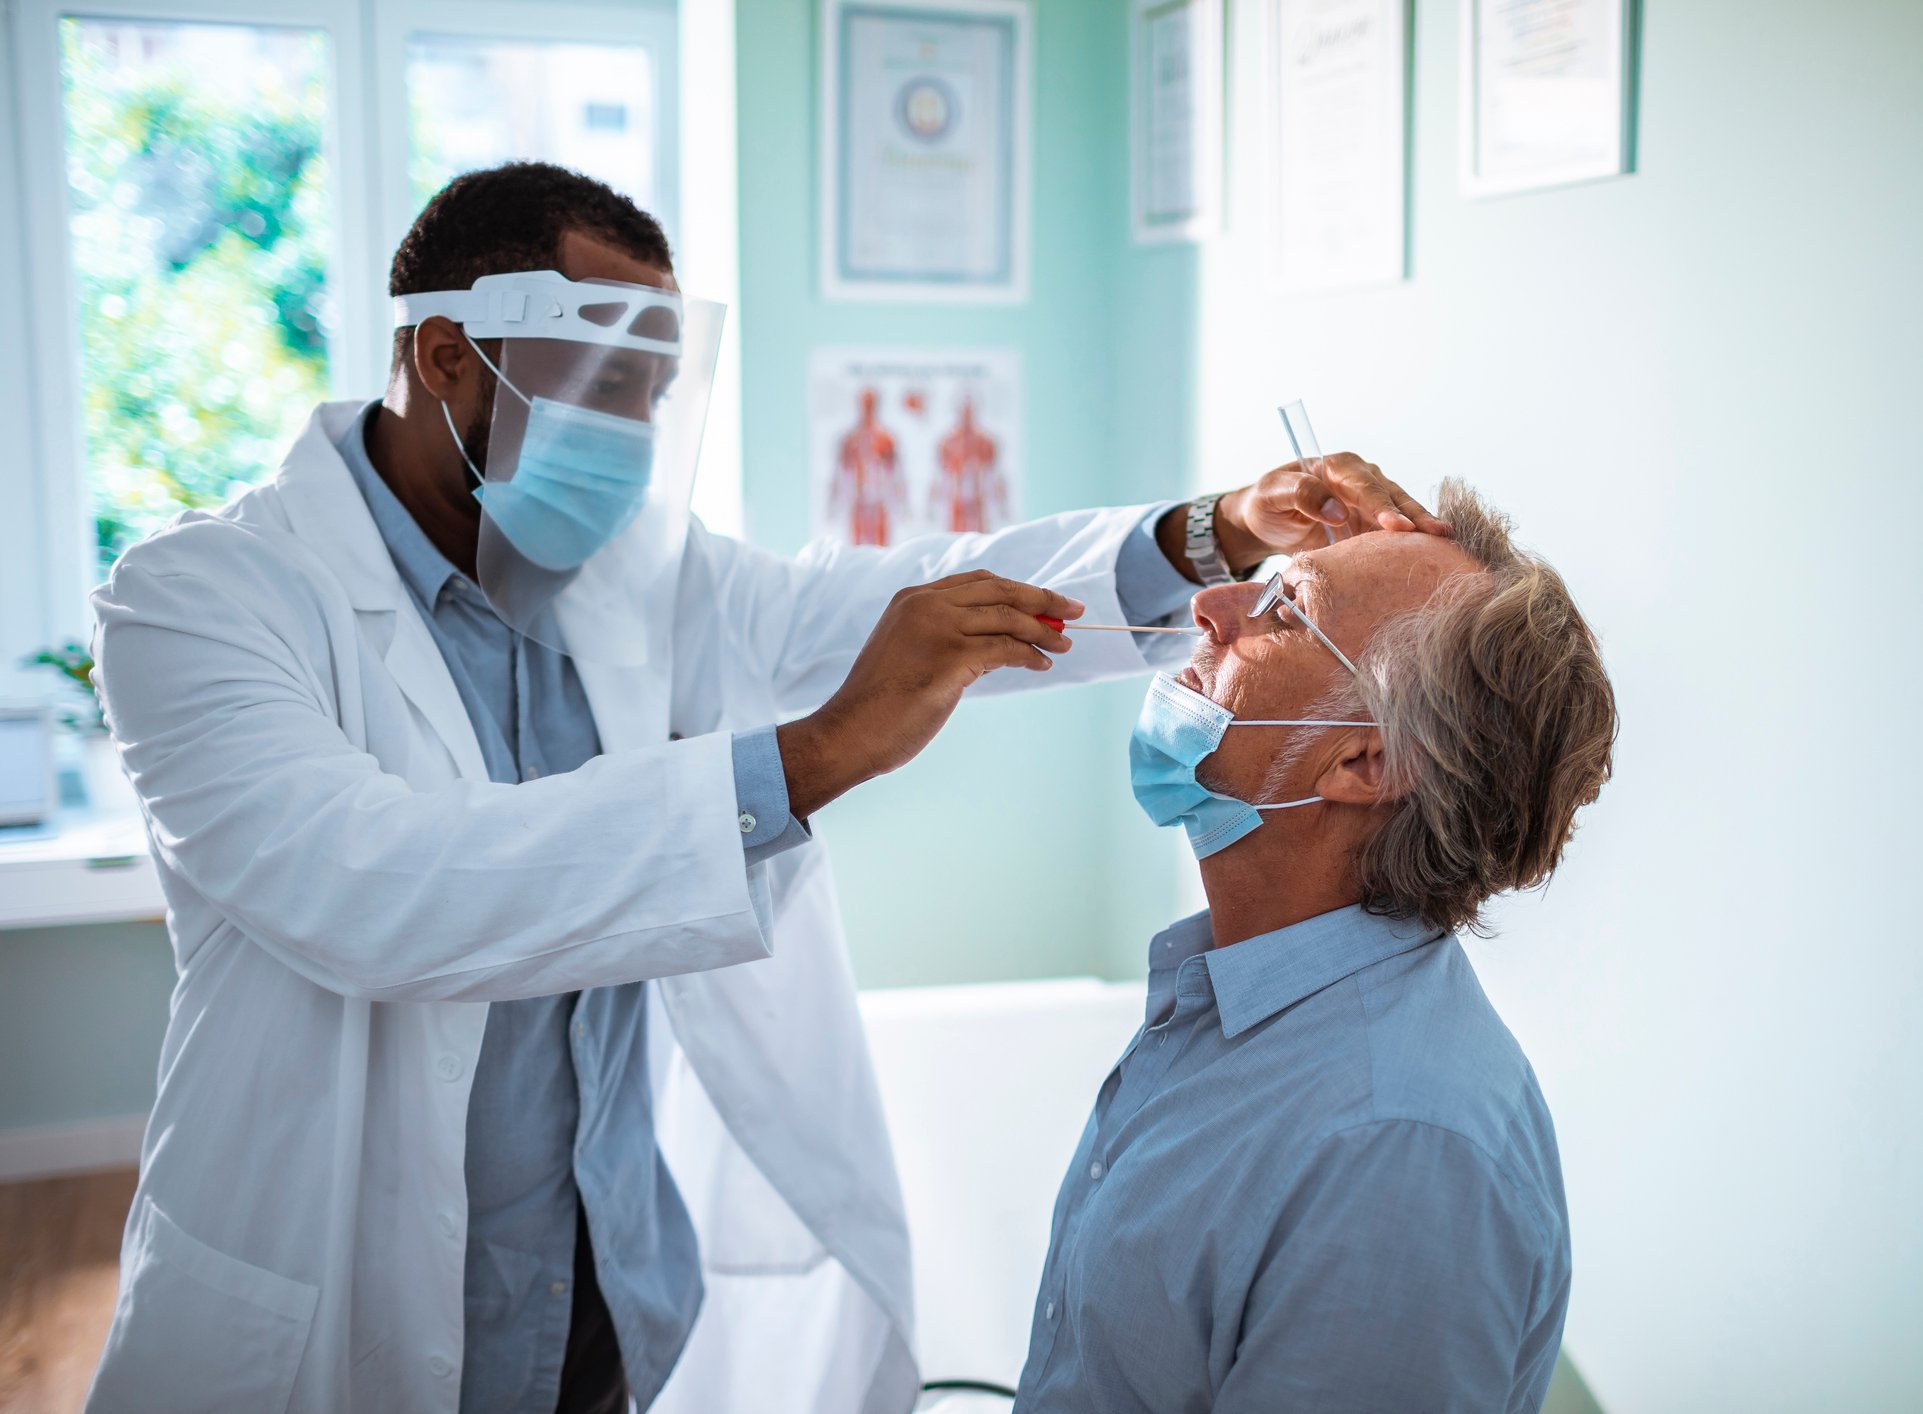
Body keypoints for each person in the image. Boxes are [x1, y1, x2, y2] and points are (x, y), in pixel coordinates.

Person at [82, 161, 1443, 1414]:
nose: (628, 432)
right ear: (446, 353)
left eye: (651, 396)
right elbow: (373, 889)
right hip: (340, 1313)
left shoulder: (637, 576)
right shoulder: (200, 599)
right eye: (599, 382)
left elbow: (900, 599)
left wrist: (1208, 532)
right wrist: (812, 755)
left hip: (598, 1296)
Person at [1015, 480, 1617, 1413]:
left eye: (1284, 608)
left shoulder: (1395, 1152)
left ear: (1362, 762)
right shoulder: (1231, 1010)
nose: (1211, 605)